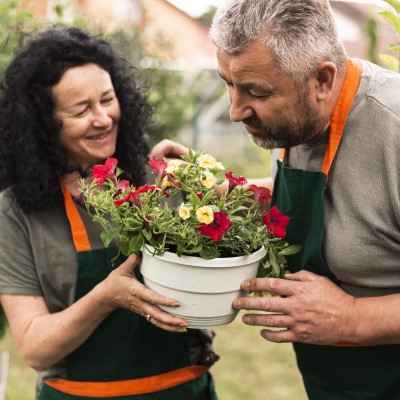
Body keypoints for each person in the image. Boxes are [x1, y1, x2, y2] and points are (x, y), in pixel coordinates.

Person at [154, 0, 400, 398]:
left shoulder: (393, 129)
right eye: (228, 83)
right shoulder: (299, 120)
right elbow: (320, 195)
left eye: (255, 91)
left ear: (322, 79)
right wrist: (211, 191)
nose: (235, 110)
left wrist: (351, 317)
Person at [0, 27, 218, 400]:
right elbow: (35, 349)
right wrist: (105, 297)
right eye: (81, 110)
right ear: (44, 124)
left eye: (107, 100)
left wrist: (216, 186)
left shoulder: (163, 179)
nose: (102, 118)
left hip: (182, 390)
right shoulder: (15, 212)